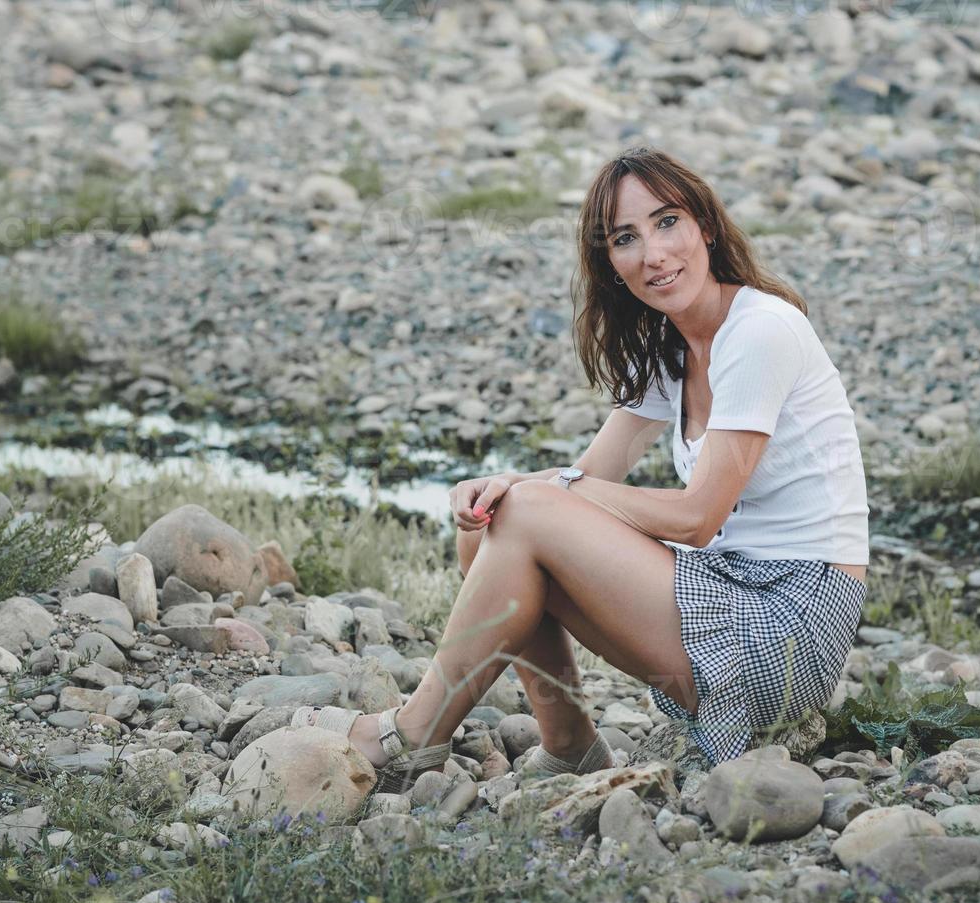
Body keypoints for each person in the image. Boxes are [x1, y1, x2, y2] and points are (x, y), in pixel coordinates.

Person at [291, 145, 869, 790]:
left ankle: (412, 730)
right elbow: (596, 472)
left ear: (705, 224)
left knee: (531, 510)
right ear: (610, 264)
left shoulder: (760, 331)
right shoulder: (675, 348)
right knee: (489, 523)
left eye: (667, 222)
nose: (653, 253)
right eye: (626, 238)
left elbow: (699, 517)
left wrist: (541, 492)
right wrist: (499, 486)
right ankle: (568, 742)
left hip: (790, 623)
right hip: (731, 589)